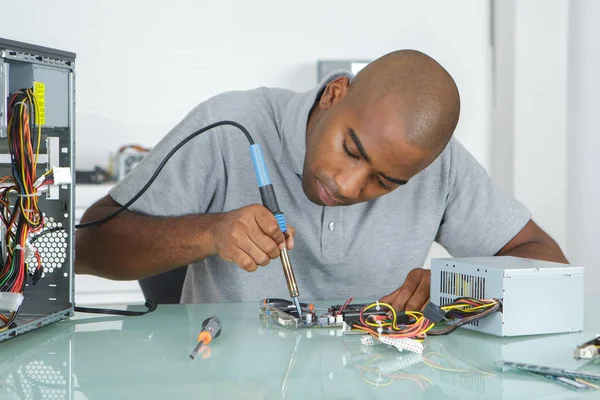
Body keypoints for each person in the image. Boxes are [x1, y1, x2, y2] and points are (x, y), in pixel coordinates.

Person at [75, 50, 567, 311]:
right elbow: (88, 248)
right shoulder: (228, 124)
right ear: (335, 94)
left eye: (387, 182)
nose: (350, 186)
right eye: (352, 150)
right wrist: (210, 233)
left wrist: (452, 283)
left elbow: (546, 262)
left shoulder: (440, 166)